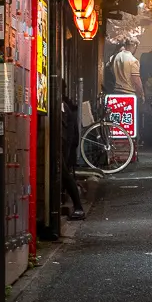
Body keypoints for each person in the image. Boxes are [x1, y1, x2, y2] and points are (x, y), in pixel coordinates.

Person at [60, 90, 85, 219]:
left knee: (64, 174)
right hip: (64, 145)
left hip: (61, 145)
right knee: (64, 174)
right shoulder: (66, 106)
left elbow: (67, 134)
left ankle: (79, 207)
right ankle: (78, 206)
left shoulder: (63, 107)